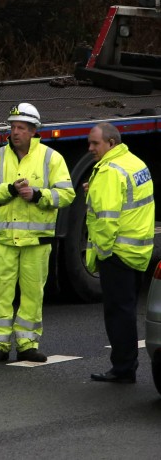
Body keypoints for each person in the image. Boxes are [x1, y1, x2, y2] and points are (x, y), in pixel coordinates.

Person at [0, 102, 75, 363]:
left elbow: (66, 194)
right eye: (13, 127)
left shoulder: (52, 158)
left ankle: (27, 345)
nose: (15, 132)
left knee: (32, 295)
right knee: (1, 293)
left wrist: (38, 195)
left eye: (21, 128)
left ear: (33, 131)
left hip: (36, 242)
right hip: (5, 240)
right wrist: (9, 189)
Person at [85, 122, 155, 384]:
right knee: (126, 310)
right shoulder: (134, 162)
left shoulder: (110, 171)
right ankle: (126, 365)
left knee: (118, 314)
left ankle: (123, 369)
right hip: (138, 250)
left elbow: (106, 220)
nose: (90, 148)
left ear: (111, 143)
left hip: (117, 253)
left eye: (95, 143)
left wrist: (100, 255)